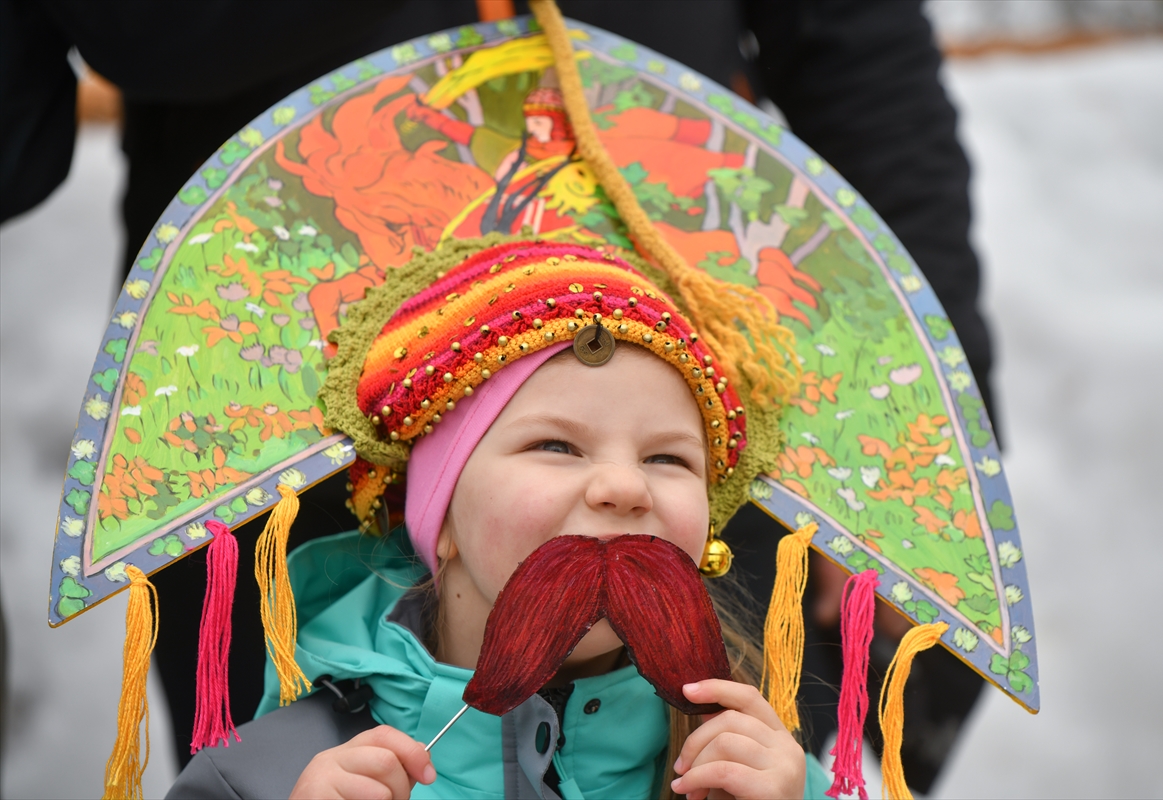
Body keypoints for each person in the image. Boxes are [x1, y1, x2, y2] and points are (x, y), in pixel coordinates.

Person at [3, 1, 992, 787]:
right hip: (278, 377)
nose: (614, 488)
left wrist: (914, 441)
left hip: (705, 329)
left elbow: (860, 51)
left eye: (647, 469)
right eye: (564, 454)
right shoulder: (278, 760)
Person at [167, 237, 831, 799]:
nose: (626, 486)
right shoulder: (264, 777)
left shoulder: (767, 776)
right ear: (441, 515)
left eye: (667, 458)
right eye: (556, 446)